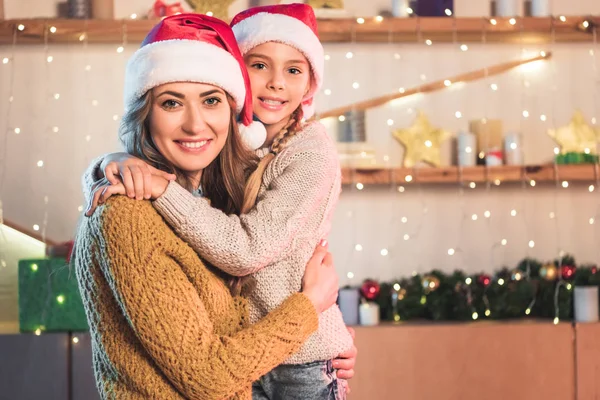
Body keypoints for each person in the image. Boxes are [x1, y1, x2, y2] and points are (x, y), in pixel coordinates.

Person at [84, 5, 355, 399]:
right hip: (260, 352)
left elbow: (248, 248)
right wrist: (109, 165)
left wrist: (321, 322)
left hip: (296, 356)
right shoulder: (231, 157)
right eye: (171, 103)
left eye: (210, 101)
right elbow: (207, 371)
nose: (276, 84)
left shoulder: (300, 153)